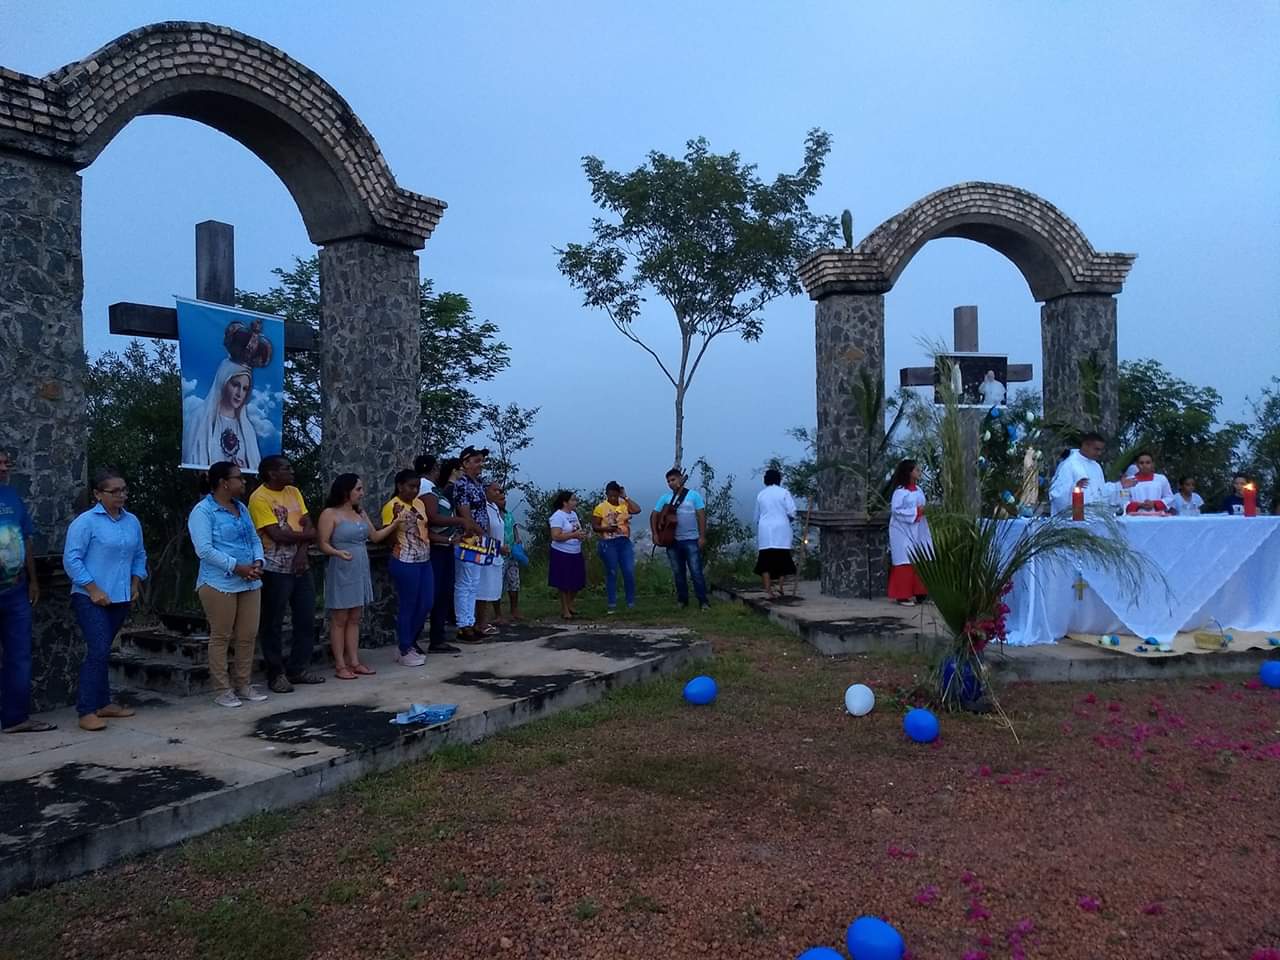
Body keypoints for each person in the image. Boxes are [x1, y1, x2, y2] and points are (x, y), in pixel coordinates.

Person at [62, 468, 148, 731]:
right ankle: (86, 710)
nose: (121, 495)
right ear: (98, 494)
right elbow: (72, 559)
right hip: (90, 598)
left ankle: (103, 702)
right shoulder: (85, 523)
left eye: (124, 490)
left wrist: (135, 582)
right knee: (98, 650)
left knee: (104, 650)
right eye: (114, 491)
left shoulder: (131, 521)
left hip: (120, 596)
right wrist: (92, 588)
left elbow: (139, 554)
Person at [188, 460, 268, 708]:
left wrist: (258, 561)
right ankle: (222, 689)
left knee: (247, 635)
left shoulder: (241, 508)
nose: (243, 482)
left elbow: (254, 537)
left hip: (249, 580)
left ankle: (243, 683)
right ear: (224, 483)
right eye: (238, 478)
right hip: (219, 583)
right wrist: (237, 567)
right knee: (221, 636)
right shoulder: (203, 511)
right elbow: (204, 550)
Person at [248, 455, 325, 693]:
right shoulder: (259, 498)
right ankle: (276, 673)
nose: (291, 471)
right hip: (274, 568)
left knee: (306, 616)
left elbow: (308, 524)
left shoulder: (293, 492)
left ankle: (297, 668)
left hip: (300, 565)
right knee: (273, 621)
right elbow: (276, 535)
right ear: (272, 473)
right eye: (286, 468)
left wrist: (302, 551)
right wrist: (308, 537)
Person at [317, 474, 404, 679]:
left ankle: (354, 660)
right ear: (346, 491)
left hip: (360, 566)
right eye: (358, 489)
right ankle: (340, 664)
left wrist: (395, 523)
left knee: (355, 616)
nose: (362, 493)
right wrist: (337, 553)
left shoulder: (360, 513)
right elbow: (323, 542)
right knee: (340, 618)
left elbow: (375, 536)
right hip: (341, 566)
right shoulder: (330, 514)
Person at [0, 449, 53, 733]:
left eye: (5, 462)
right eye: (0, 463)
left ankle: (15, 718)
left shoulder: (12, 497)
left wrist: (33, 581)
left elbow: (26, 539)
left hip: (15, 590)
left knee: (19, 655)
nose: (5, 467)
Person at [381, 469, 434, 667]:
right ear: (400, 486)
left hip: (424, 558)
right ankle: (405, 647)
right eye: (411, 487)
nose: (414, 491)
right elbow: (388, 539)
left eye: (417, 487)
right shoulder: (392, 506)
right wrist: (396, 521)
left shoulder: (419, 503)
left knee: (427, 602)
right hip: (405, 559)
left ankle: (409, 642)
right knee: (408, 604)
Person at [182, 358, 262, 472]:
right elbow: (193, 461)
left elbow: (255, 468)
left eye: (245, 389)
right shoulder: (200, 418)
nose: (239, 393)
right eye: (235, 385)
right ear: (223, 382)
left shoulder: (247, 429)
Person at [423, 457, 469, 653]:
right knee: (435, 593)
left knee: (444, 592)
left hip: (446, 546)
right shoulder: (426, 486)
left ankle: (438, 637)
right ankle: (432, 637)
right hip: (437, 548)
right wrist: (460, 521)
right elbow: (432, 517)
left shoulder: (436, 488)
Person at [650, 469, 709, 610]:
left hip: (691, 539)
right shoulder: (665, 498)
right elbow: (654, 515)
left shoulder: (694, 496)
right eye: (668, 481)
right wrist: (655, 534)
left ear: (680, 479)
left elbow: (701, 516)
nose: (671, 483)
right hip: (672, 541)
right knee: (678, 572)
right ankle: (682, 600)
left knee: (696, 572)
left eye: (673, 480)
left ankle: (703, 601)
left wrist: (702, 536)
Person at [451, 446, 491, 643]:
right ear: (465, 463)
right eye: (476, 461)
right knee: (465, 581)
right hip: (468, 538)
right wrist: (480, 531)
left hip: (478, 538)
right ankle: (462, 625)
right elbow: (465, 514)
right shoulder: (462, 485)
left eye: (481, 461)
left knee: (474, 582)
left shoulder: (479, 484)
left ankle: (470, 621)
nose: (480, 465)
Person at [1048, 432, 1138, 514]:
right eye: (1096, 449)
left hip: (1094, 517)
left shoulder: (1096, 466)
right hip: (1075, 517)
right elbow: (1057, 495)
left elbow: (1100, 493)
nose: (1099, 453)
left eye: (1101, 450)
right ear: (1085, 445)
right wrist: (1075, 488)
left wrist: (1119, 486)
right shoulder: (1069, 464)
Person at [887, 459, 932, 606]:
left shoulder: (918, 490)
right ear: (909, 472)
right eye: (916, 470)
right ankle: (902, 595)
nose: (919, 472)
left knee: (921, 557)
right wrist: (916, 512)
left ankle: (921, 593)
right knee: (905, 560)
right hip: (903, 531)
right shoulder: (900, 492)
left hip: (918, 529)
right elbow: (896, 510)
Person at [591, 481, 640, 614]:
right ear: (607, 494)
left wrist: (626, 497)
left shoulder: (624, 505)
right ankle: (612, 602)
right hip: (608, 542)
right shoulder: (601, 507)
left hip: (623, 541)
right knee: (612, 571)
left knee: (628, 571)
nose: (613, 498)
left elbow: (637, 510)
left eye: (615, 495)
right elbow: (595, 526)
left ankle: (630, 602)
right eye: (610, 495)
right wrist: (606, 528)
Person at [753, 468, 798, 600]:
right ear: (779, 479)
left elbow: (756, 516)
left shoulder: (761, 494)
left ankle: (768, 589)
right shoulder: (784, 493)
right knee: (783, 558)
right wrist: (787, 519)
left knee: (765, 561)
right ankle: (780, 586)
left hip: (765, 530)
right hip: (781, 529)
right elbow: (792, 512)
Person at [475, 480, 508, 636]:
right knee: (482, 590)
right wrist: (498, 547)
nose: (499, 493)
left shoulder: (495, 508)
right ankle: (480, 623)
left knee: (491, 589)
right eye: (495, 490)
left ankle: (484, 621)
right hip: (486, 552)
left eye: (500, 491)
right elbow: (483, 533)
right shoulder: (483, 509)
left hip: (496, 554)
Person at [548, 490, 588, 619]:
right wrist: (573, 535)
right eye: (572, 500)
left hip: (575, 551)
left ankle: (570, 604)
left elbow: (576, 529)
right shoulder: (557, 517)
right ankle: (565, 609)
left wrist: (581, 535)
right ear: (565, 502)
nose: (575, 502)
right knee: (564, 582)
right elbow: (556, 536)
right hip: (562, 552)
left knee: (577, 581)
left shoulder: (574, 514)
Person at [497, 487, 524, 623]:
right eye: (501, 499)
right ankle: (498, 614)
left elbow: (514, 528)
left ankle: (514, 610)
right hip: (499, 554)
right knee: (497, 584)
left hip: (512, 554)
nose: (504, 502)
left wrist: (517, 539)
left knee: (514, 582)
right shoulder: (494, 515)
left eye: (504, 499)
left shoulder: (508, 514)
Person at [1125, 451, 1175, 515]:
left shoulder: (1161, 479)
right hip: (1135, 518)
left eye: (1148, 463)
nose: (1144, 465)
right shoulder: (1128, 481)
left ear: (1152, 464)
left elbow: (1170, 498)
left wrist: (1154, 503)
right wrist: (1139, 505)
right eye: (1141, 463)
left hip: (1158, 517)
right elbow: (1122, 501)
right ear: (1137, 465)